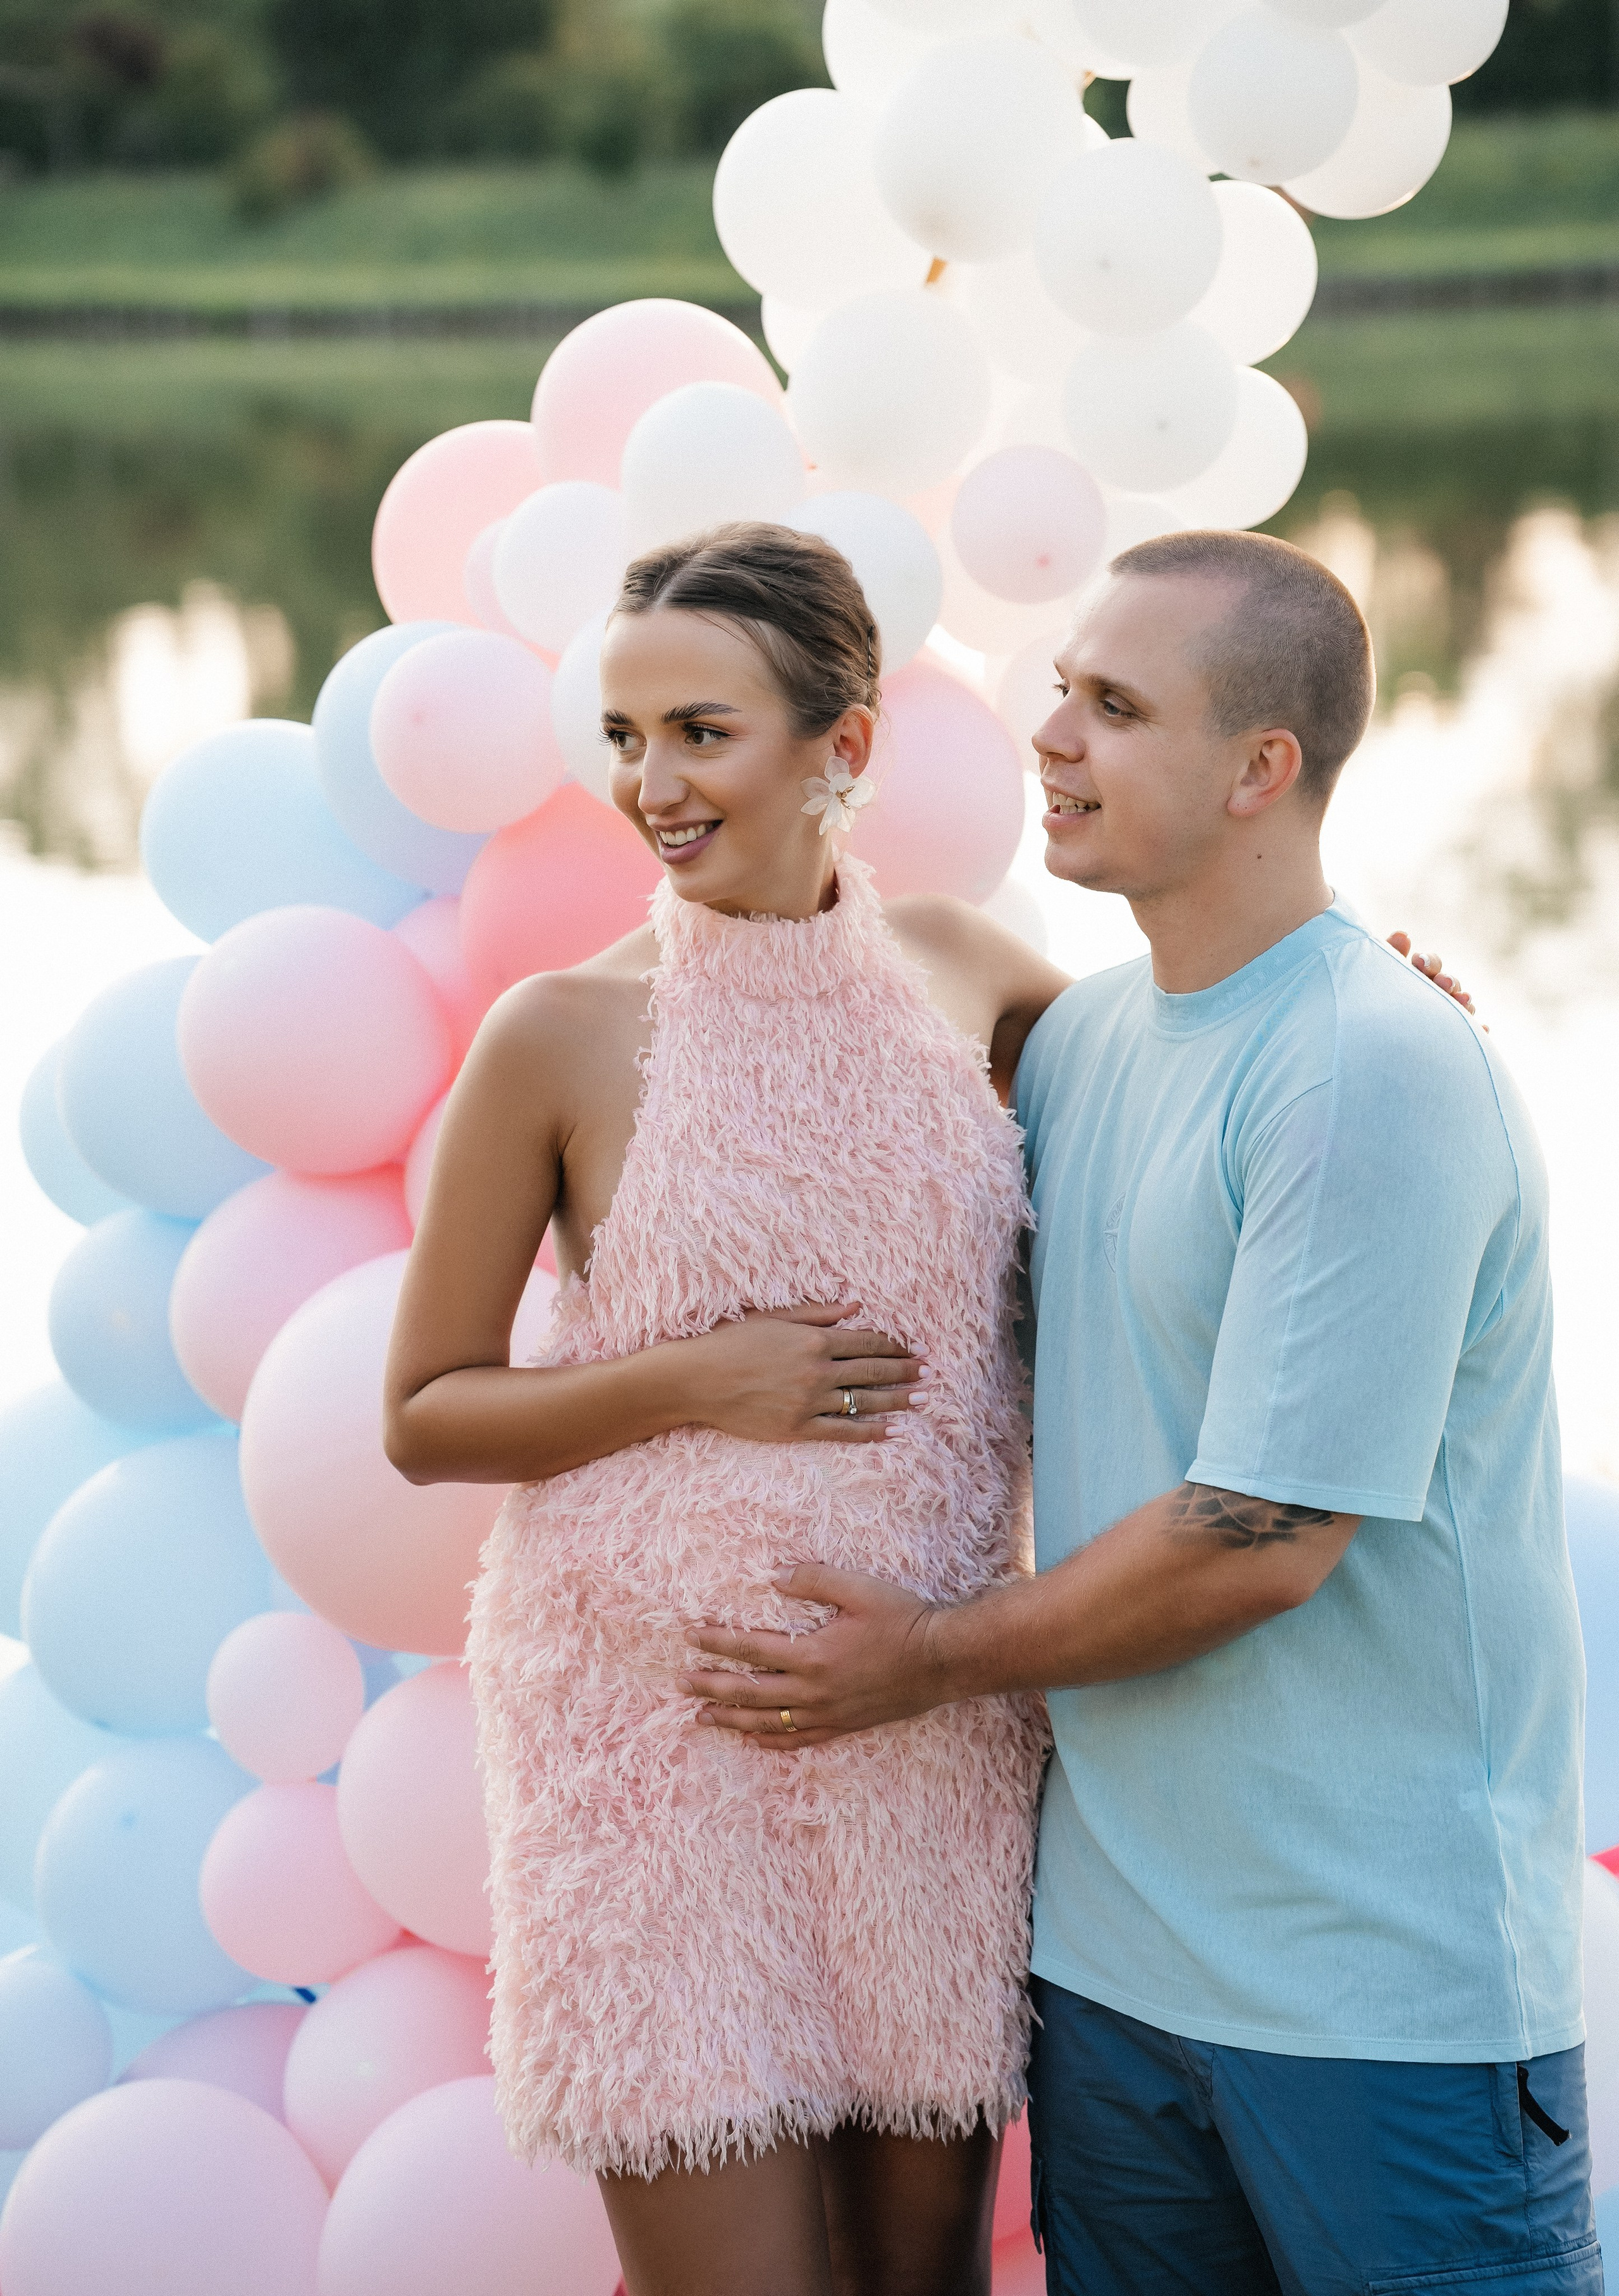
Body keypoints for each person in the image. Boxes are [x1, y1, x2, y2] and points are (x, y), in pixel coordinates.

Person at [682, 530, 1598, 2296]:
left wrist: (922, 1657)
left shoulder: (1372, 1070)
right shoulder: (1083, 1041)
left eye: (1114, 706)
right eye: (1058, 691)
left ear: (1264, 768)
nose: (1052, 736)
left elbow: (1258, 1543)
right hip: (1114, 1986)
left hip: (1372, 2004)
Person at [383, 522, 1068, 2296]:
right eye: (624, 736)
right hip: (651, 1747)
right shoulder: (559, 1033)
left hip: (922, 1721)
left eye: (701, 731)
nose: (650, 783)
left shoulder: (973, 980)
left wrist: (1365, 1008)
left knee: (921, 2286)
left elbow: (1207, 1127)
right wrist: (700, 1378)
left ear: (840, 747)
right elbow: (430, 1410)